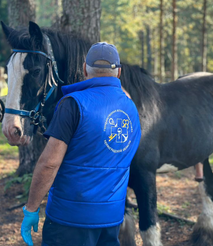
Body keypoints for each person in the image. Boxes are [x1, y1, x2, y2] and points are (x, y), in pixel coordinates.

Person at [20, 42, 141, 246]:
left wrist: (31, 208)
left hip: (69, 220)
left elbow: (49, 163)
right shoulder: (131, 107)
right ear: (118, 72)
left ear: (84, 69)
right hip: (111, 218)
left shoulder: (73, 104)